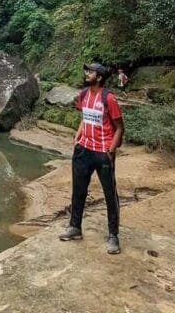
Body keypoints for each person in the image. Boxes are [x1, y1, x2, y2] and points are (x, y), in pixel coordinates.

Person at [59, 62, 124, 254]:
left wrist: (111, 150)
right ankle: (75, 227)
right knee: (78, 190)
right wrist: (78, 136)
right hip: (83, 150)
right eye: (86, 71)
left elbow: (119, 127)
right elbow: (84, 118)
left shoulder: (109, 98)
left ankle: (113, 235)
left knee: (109, 194)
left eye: (91, 71)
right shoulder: (83, 95)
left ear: (100, 77)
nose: (87, 74)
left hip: (102, 152)